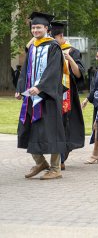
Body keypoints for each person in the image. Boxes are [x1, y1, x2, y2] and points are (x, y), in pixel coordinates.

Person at [15, 12, 66, 180]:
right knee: (27, 129)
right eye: (33, 27)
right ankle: (40, 162)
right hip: (31, 96)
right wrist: (20, 88)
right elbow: (25, 70)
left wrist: (40, 87)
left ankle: (55, 168)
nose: (35, 30)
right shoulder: (33, 47)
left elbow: (53, 71)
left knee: (51, 130)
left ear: (46, 28)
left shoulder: (53, 47)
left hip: (48, 96)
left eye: (39, 27)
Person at [51, 21, 85, 170]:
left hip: (67, 94)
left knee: (65, 123)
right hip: (52, 92)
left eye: (53, 38)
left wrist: (69, 58)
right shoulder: (50, 50)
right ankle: (56, 157)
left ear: (60, 36)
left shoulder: (73, 51)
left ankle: (61, 159)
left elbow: (78, 74)